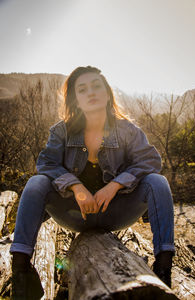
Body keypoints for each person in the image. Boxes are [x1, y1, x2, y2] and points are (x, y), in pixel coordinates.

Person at [10, 66, 175, 299]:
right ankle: (21, 271)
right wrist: (75, 186)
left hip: (116, 212)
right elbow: (46, 164)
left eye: (96, 86)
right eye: (83, 89)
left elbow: (150, 161)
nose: (91, 92)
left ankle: (164, 268)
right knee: (36, 183)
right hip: (74, 213)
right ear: (76, 99)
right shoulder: (61, 132)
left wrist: (115, 184)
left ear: (107, 93)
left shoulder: (127, 130)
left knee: (157, 182)